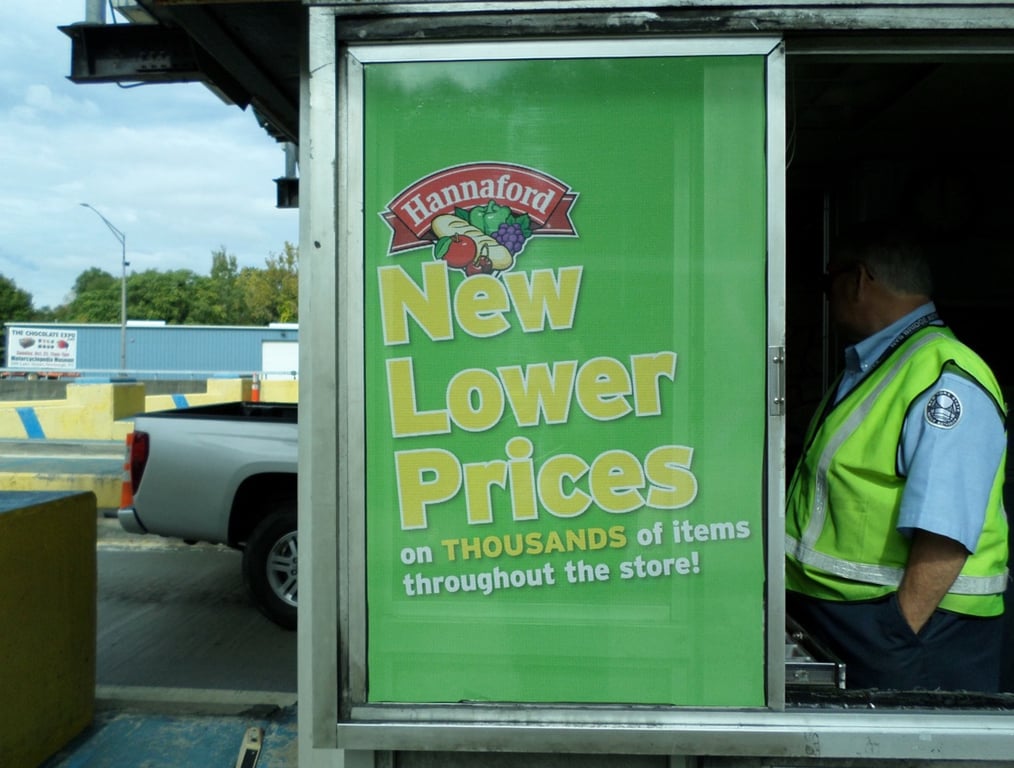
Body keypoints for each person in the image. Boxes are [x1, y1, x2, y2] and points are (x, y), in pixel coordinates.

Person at [785, 224, 1009, 691]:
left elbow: (946, 530)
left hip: (920, 631)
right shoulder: (881, 363)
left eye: (830, 282)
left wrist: (897, 633)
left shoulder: (944, 376)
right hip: (861, 620)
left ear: (860, 280)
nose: (826, 296)